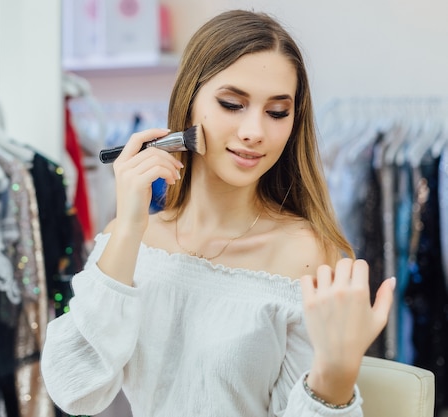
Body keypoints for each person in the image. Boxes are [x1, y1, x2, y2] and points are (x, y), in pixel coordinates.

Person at [41, 9, 395, 416]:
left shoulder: (307, 255)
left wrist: (334, 379)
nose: (255, 131)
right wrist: (129, 226)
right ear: (189, 104)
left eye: (277, 112)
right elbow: (76, 390)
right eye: (232, 104)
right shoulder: (131, 240)